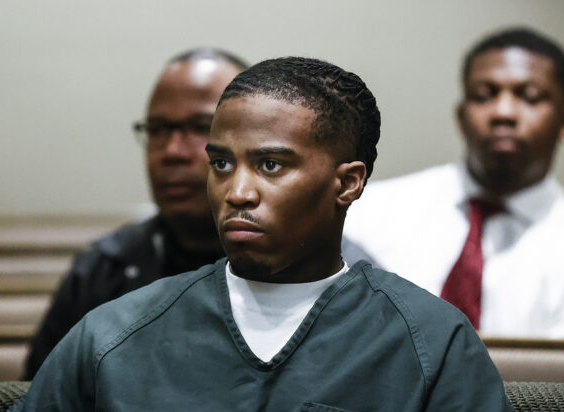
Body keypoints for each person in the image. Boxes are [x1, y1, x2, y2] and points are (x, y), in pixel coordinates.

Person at [0, 57, 539, 412]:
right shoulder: (114, 331)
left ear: (348, 182)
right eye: (222, 163)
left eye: (270, 165)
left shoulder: (430, 341)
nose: (237, 192)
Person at [23, 48, 374, 378]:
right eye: (158, 130)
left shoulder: (347, 281)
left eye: (200, 127)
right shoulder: (104, 271)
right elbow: (39, 397)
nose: (172, 151)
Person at [345, 27, 564, 339]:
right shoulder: (367, 213)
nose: (503, 112)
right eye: (484, 96)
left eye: (530, 97)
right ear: (461, 116)